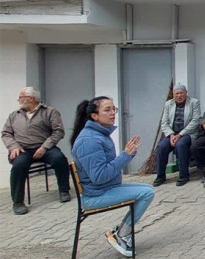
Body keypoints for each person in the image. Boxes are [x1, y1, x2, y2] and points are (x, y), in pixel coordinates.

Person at [70, 97, 154, 257]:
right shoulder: (89, 140)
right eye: (107, 110)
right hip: (95, 195)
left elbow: (107, 168)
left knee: (147, 190)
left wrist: (128, 154)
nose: (113, 113)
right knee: (146, 193)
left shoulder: (98, 134)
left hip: (104, 189)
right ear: (94, 116)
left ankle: (121, 233)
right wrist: (124, 155)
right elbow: (99, 176)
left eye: (114, 109)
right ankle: (122, 235)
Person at [3, 87, 71, 215]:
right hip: (23, 150)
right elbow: (6, 133)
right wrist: (13, 146)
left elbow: (58, 131)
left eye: (21, 97)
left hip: (45, 147)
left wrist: (44, 147)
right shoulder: (14, 115)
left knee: (59, 159)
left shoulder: (50, 112)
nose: (18, 100)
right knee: (18, 165)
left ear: (31, 98)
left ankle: (64, 190)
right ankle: (18, 202)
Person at [153, 84, 201, 187]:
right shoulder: (168, 104)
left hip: (188, 133)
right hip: (172, 134)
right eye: (177, 93)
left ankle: (183, 175)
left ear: (186, 93)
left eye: (181, 93)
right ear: (173, 94)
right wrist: (171, 135)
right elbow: (164, 122)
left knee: (181, 145)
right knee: (162, 146)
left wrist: (180, 135)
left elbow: (195, 121)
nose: (179, 96)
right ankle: (160, 176)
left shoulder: (194, 102)